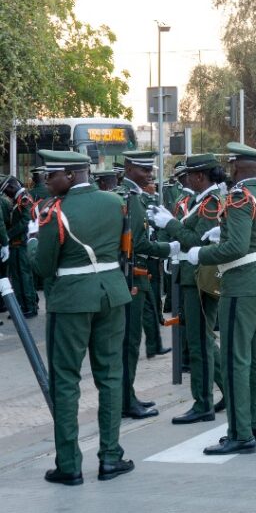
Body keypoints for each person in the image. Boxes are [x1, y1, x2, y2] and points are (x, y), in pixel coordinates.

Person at [24, 150, 135, 485]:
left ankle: (70, 464)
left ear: (70, 176)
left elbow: (43, 267)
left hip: (71, 300)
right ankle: (111, 457)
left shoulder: (55, 212)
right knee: (111, 377)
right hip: (112, 294)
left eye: (51, 176)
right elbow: (127, 245)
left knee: (66, 381)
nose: (45, 182)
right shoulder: (115, 203)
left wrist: (32, 241)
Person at [186, 142, 256, 456]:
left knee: (236, 360)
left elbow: (236, 246)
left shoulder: (239, 197)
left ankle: (240, 433)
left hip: (242, 282)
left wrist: (202, 252)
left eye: (231, 163)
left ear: (238, 166)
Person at [148, 154, 227, 424]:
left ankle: (202, 403)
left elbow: (195, 240)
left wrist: (170, 224)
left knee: (198, 342)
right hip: (190, 276)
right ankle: (223, 393)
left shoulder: (210, 202)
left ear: (200, 176)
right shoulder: (200, 201)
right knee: (200, 340)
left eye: (190, 175)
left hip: (200, 278)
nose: (186, 179)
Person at [116, 151, 178, 420]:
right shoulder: (132, 199)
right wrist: (169, 248)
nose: (150, 175)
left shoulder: (135, 196)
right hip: (132, 275)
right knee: (129, 342)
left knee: (130, 341)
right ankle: (125, 401)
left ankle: (127, 396)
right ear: (129, 168)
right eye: (144, 170)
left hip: (135, 274)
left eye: (150, 170)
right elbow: (139, 244)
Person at [1, 174, 38, 317]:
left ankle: (28, 307)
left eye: (6, 191)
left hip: (21, 244)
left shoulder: (23, 199)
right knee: (18, 277)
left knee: (23, 277)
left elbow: (25, 222)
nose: (6, 194)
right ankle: (24, 305)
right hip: (17, 244)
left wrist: (8, 235)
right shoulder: (19, 198)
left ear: (11, 187)